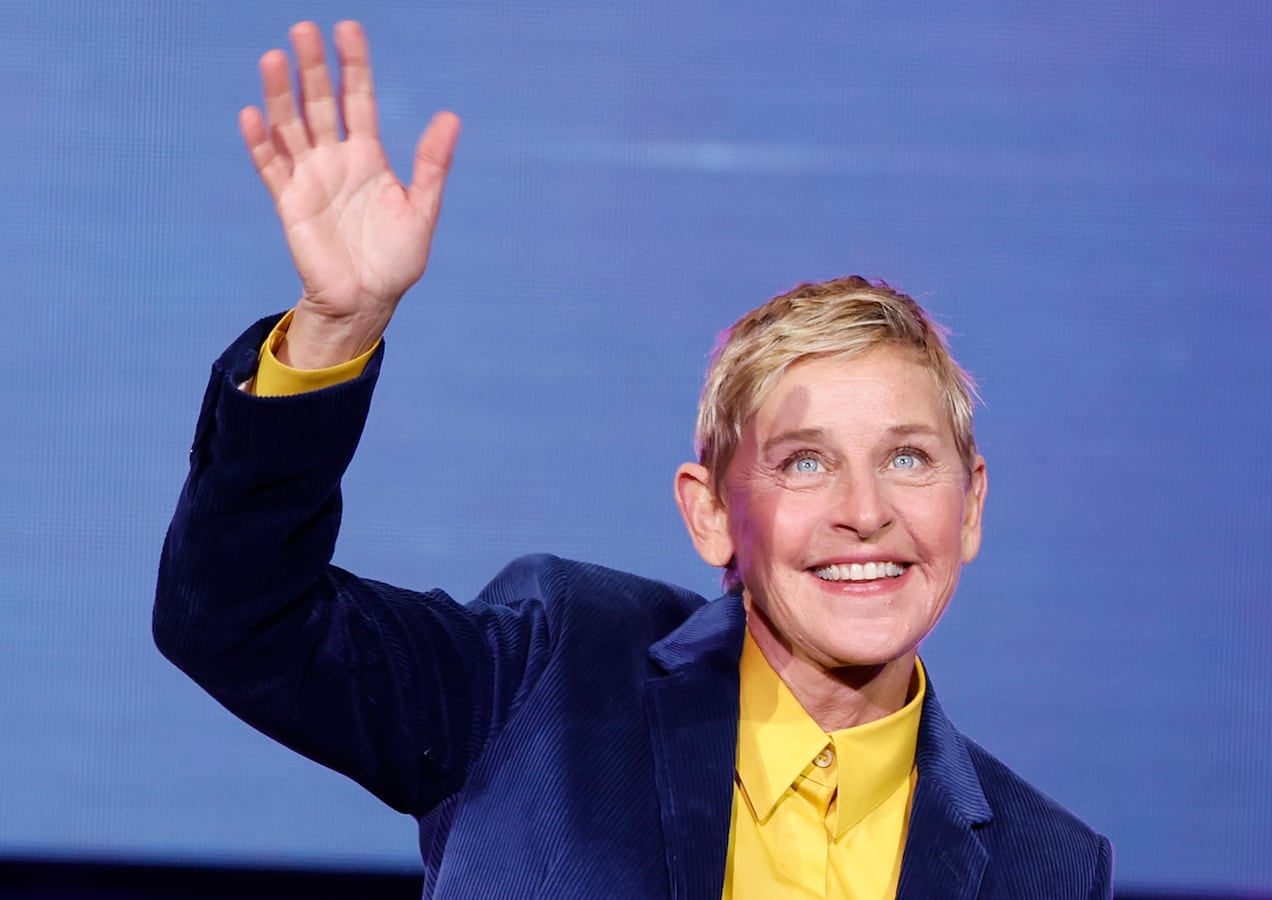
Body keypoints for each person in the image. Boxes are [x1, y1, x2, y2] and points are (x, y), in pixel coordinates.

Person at [154, 20, 1112, 899]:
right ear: (706, 512)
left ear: (972, 504)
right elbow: (236, 622)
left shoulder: (1048, 865)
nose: (866, 510)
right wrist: (339, 327)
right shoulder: (551, 675)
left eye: (908, 460)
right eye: (805, 465)